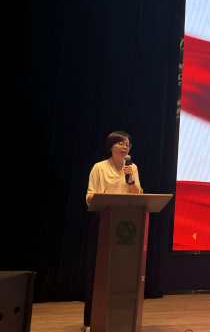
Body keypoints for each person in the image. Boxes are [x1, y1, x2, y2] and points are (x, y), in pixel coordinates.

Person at [84, 131, 143, 328]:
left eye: (127, 144)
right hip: (103, 220)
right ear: (111, 146)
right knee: (99, 271)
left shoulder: (132, 168)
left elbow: (137, 195)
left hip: (126, 221)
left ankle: (122, 319)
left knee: (123, 270)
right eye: (121, 143)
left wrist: (131, 179)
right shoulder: (99, 167)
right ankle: (92, 321)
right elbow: (90, 195)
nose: (125, 147)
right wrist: (104, 197)